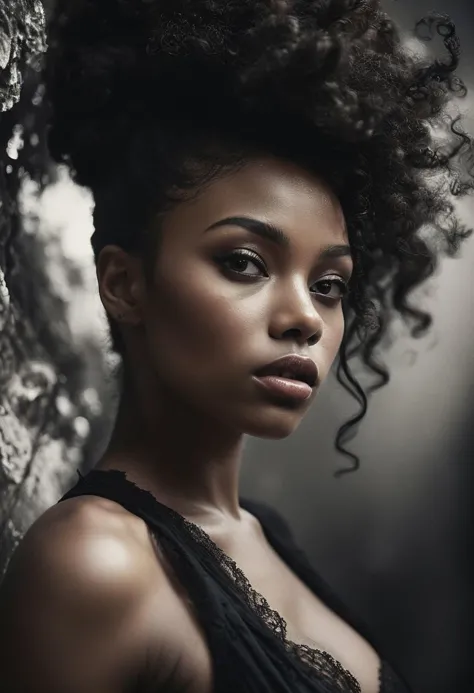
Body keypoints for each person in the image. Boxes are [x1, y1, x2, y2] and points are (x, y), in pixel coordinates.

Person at [0, 1, 472, 692]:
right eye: (246, 262)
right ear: (124, 285)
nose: (305, 317)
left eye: (331, 283)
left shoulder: (267, 535)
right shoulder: (96, 561)